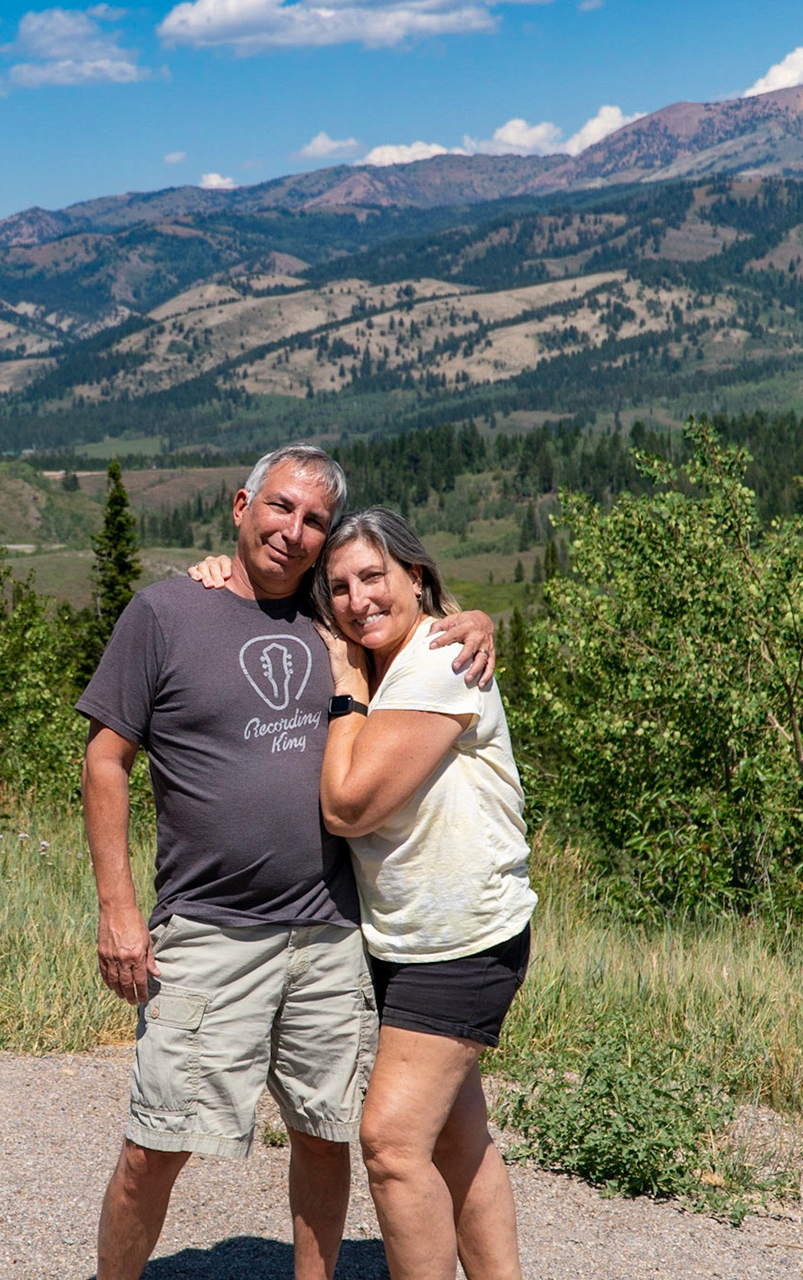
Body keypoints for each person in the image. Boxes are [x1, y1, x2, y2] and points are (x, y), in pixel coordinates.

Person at [78, 446, 498, 1280]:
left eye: (313, 520)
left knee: (324, 1134)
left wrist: (480, 619)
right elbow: (104, 762)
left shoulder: (335, 626)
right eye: (279, 508)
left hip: (331, 931)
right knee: (156, 1145)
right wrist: (118, 910)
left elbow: (415, 617)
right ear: (242, 506)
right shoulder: (166, 611)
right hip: (207, 931)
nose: (293, 531)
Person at [313, 506, 534, 1280]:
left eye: (374, 576)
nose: (357, 598)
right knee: (456, 1142)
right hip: (414, 938)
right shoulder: (396, 655)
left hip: (462, 941)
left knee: (392, 1143)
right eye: (338, 586)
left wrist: (344, 693)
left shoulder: (438, 659)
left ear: (416, 575)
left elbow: (349, 807)